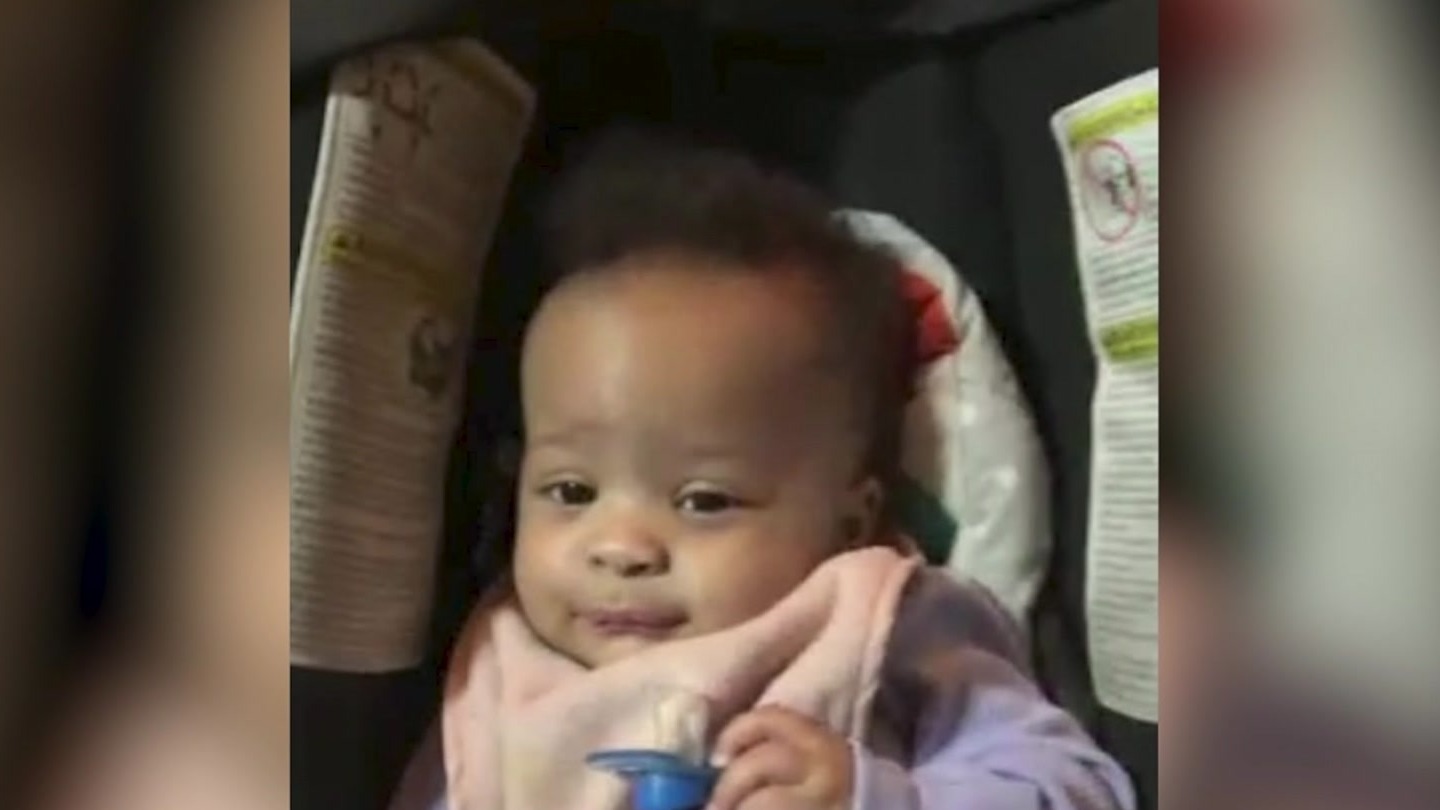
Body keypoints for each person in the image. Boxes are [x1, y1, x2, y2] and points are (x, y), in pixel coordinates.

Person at [389, 132, 1134, 810]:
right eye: (571, 491)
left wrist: (875, 797)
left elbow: (1080, 791)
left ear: (851, 522)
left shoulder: (891, 627)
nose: (621, 548)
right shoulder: (503, 672)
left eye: (704, 500)